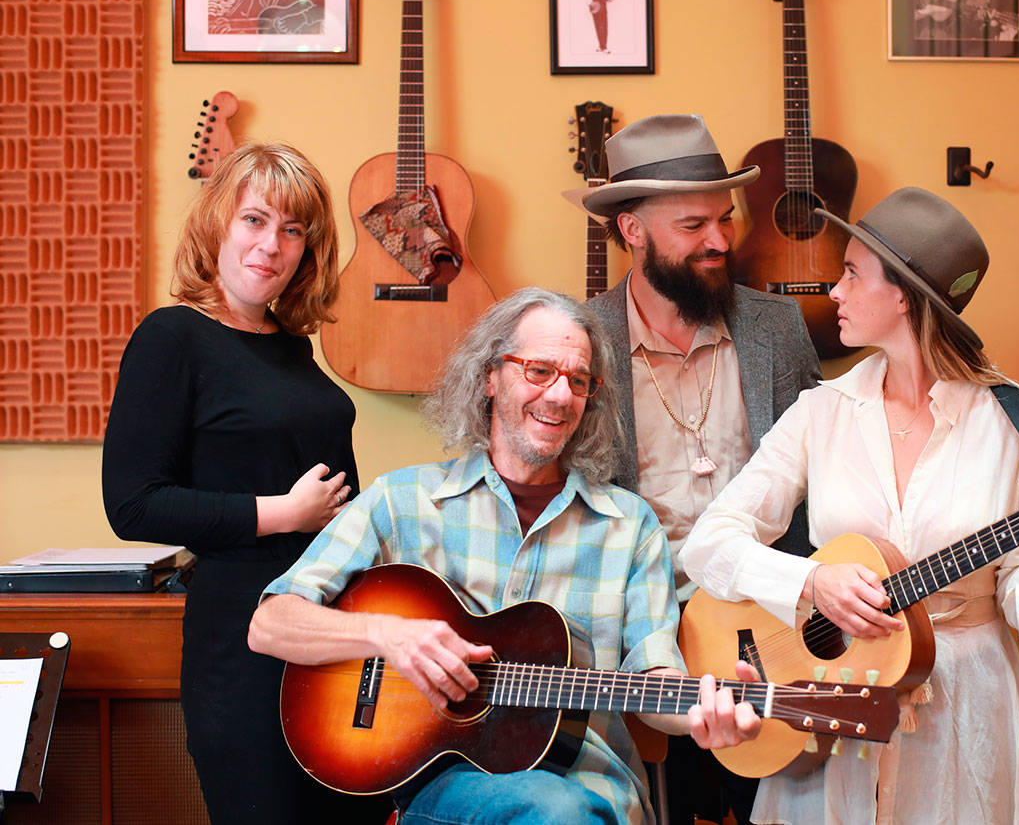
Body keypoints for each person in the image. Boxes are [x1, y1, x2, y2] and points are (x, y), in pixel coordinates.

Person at [247, 288, 761, 825]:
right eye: (538, 371)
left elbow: (653, 672)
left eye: (578, 380)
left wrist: (703, 710)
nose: (560, 396)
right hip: (441, 785)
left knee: (563, 811)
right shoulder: (402, 502)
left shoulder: (630, 526)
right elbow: (270, 623)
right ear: (490, 377)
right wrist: (389, 637)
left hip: (587, 784)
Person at [680, 187, 1019, 824]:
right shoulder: (822, 412)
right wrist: (811, 579)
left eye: (849, 273)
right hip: (834, 693)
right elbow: (709, 544)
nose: (833, 292)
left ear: (903, 295)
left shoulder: (1015, 420)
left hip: (970, 704)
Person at [101, 143, 385, 824]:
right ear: (217, 226)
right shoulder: (171, 338)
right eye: (255, 221)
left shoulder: (291, 346)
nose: (273, 245)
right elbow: (132, 502)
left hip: (330, 628)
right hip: (243, 640)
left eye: (293, 230)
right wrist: (281, 512)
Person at [564, 113, 821, 823]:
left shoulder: (777, 326)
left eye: (725, 219)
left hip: (772, 633)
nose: (719, 241)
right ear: (632, 232)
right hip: (644, 643)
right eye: (692, 225)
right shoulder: (579, 341)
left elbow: (816, 483)